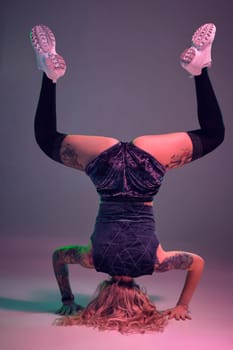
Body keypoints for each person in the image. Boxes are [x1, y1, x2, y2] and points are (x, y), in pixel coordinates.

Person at [30, 23, 224, 333]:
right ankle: (49, 75)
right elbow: (58, 257)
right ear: (103, 294)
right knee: (46, 138)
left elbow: (197, 263)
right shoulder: (94, 261)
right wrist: (67, 296)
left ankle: (199, 69)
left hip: (147, 167)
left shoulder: (156, 264)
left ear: (139, 298)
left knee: (214, 135)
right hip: (104, 169)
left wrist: (183, 304)